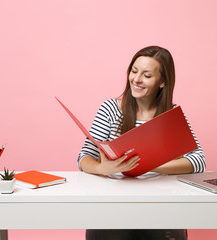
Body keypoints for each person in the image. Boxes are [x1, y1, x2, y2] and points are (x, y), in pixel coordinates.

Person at [77, 46, 206, 240]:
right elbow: (84, 157)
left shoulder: (171, 114)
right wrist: (102, 168)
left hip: (160, 208)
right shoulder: (111, 109)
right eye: (134, 71)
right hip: (113, 208)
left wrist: (151, 165)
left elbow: (198, 161)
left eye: (146, 75)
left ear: (162, 82)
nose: (136, 80)